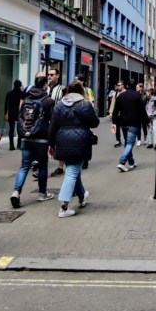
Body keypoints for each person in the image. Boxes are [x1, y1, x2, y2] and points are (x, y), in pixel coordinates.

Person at [48, 81, 99, 217]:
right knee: (72, 172)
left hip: (62, 138)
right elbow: (95, 123)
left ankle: (82, 196)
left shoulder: (59, 105)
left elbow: (52, 126)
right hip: (80, 139)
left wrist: (51, 144)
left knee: (73, 169)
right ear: (81, 91)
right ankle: (64, 207)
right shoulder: (84, 104)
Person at [10, 74, 55, 207]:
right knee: (42, 166)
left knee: (24, 166)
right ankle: (42, 193)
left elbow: (21, 116)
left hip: (26, 136)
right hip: (41, 137)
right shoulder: (48, 100)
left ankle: (16, 192)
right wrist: (52, 141)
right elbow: (52, 121)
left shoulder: (27, 98)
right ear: (45, 85)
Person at [111, 79, 149, 172]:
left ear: (127, 85)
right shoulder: (137, 96)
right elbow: (142, 110)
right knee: (130, 143)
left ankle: (131, 162)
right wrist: (147, 121)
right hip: (134, 122)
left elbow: (115, 111)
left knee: (127, 142)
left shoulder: (121, 96)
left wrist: (114, 122)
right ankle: (122, 162)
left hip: (123, 122)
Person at [46, 68, 66, 177]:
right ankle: (40, 166)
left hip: (57, 121)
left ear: (57, 76)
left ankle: (60, 167)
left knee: (60, 144)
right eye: (48, 75)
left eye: (52, 75)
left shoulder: (62, 89)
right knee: (44, 143)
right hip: (45, 121)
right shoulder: (44, 88)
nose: (49, 77)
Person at [4, 80, 25, 151]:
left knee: (11, 129)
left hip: (11, 113)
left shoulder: (9, 94)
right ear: (20, 85)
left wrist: (5, 114)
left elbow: (6, 105)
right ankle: (19, 144)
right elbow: (23, 104)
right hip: (19, 113)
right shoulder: (21, 94)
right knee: (19, 129)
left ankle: (11, 145)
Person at [108, 81, 125, 147]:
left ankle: (126, 139)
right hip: (116, 114)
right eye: (117, 85)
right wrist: (111, 112)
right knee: (116, 128)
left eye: (119, 85)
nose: (118, 87)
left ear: (123, 85)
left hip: (124, 113)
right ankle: (118, 140)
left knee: (124, 127)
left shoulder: (125, 93)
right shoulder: (116, 93)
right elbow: (113, 103)